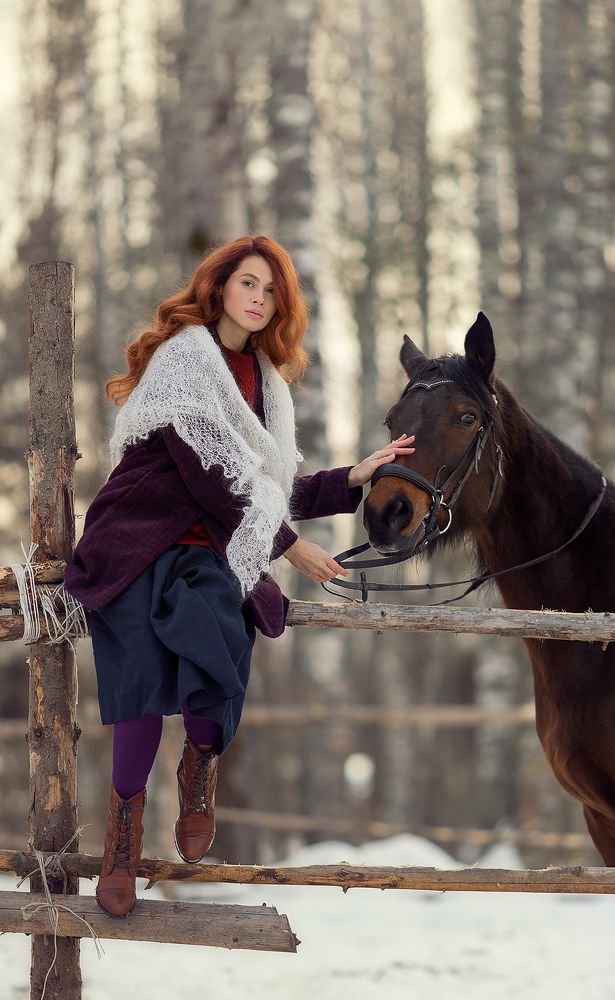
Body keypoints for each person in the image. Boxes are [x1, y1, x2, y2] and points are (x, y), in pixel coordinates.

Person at [64, 234, 415, 918]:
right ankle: (122, 839)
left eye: (270, 290)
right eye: (248, 284)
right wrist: (291, 549)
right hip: (136, 542)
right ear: (219, 287)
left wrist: (352, 478)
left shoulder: (268, 386)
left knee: (216, 666)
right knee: (137, 694)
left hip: (211, 553)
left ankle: (199, 769)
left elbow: (263, 487)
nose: (258, 299)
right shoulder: (183, 361)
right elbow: (211, 478)